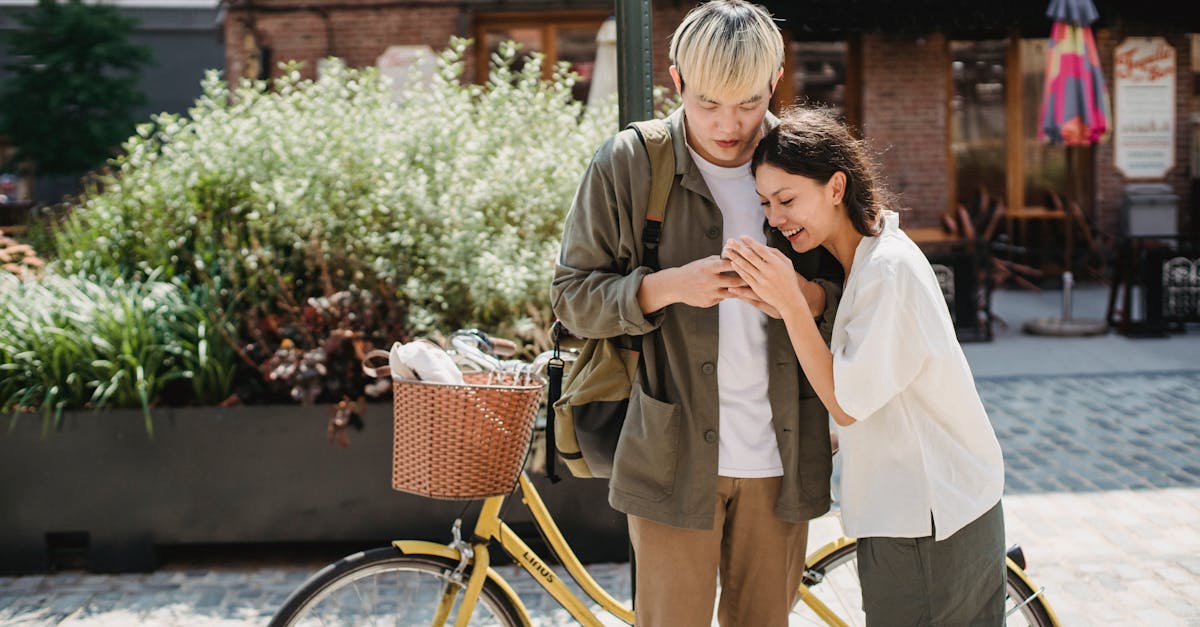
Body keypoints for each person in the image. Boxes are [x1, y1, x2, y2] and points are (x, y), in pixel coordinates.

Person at [550, 2, 842, 625]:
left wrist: (801, 298)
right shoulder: (630, 163)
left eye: (749, 103)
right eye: (709, 103)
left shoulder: (807, 163)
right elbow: (571, 296)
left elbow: (862, 297)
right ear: (677, 81)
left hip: (783, 460)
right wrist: (665, 287)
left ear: (776, 80)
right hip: (669, 461)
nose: (730, 124)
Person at [723, 105, 1007, 626]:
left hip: (926, 520)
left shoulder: (886, 272)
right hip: (927, 513)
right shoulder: (871, 262)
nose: (774, 218)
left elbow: (848, 402)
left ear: (836, 186)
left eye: (787, 199)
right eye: (765, 203)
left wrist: (791, 302)